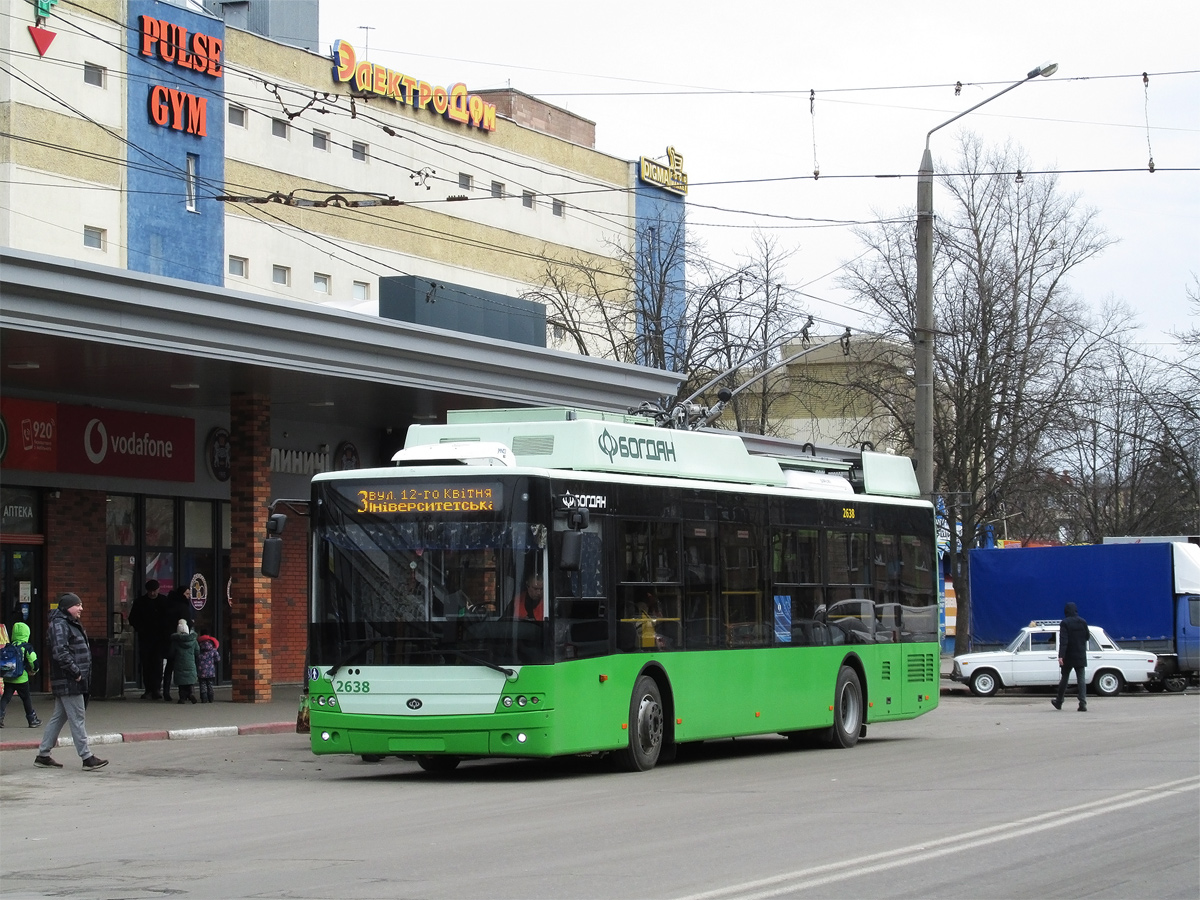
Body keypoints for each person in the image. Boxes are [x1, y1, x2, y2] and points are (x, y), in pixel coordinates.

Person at [35, 593, 108, 771]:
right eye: (78, 605)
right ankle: (87, 757)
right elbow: (61, 652)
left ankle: (43, 755)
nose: (81, 608)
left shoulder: (68, 623)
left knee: (59, 717)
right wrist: (76, 673)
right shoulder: (60, 625)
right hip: (69, 680)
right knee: (78, 718)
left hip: (70, 680)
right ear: (68, 607)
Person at [127, 579, 165, 699]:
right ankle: (148, 689)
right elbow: (132, 618)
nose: (152, 593)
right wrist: (140, 628)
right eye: (150, 591)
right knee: (146, 663)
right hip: (145, 637)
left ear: (158, 590)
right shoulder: (140, 602)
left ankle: (157, 688)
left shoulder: (163, 601)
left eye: (154, 591)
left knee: (158, 663)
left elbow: (169, 617)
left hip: (159, 637)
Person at [0, 621, 41, 728]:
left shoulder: (9, 646)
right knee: (26, 698)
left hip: (8, 677)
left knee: (5, 698)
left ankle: (0, 717)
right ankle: (32, 719)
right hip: (21, 678)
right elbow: (33, 661)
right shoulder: (26, 647)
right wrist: (34, 671)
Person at [1052, 601, 1090, 712]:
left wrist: (1061, 656)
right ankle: (1082, 703)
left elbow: (1064, 641)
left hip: (1068, 655)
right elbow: (1087, 636)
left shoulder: (1065, 623)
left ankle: (1059, 701)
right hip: (1080, 654)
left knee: (1065, 678)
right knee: (1081, 679)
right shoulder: (1083, 622)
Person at [160, 587, 195, 701]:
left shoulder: (168, 605)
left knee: (169, 666)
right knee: (184, 666)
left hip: (168, 638)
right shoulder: (183, 607)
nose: (189, 596)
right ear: (182, 594)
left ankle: (166, 691)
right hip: (180, 640)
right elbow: (187, 622)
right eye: (187, 593)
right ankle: (187, 692)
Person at [168, 619, 201, 704]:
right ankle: (190, 694)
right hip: (190, 664)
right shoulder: (193, 641)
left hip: (179, 664)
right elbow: (197, 651)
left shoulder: (175, 642)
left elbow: (171, 653)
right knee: (190, 682)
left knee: (181, 684)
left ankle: (182, 698)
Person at [197, 635, 220, 703]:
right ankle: (211, 698)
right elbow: (218, 659)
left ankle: (203, 698)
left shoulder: (200, 650)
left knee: (202, 684)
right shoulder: (213, 650)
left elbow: (197, 658)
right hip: (210, 671)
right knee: (210, 685)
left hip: (201, 671)